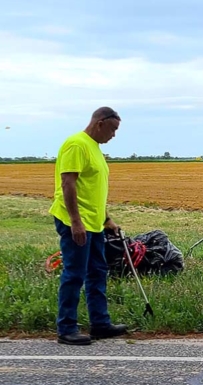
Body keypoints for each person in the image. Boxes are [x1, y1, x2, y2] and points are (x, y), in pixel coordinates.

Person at [49, 107, 128, 345]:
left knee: (98, 272)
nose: (113, 135)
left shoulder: (94, 148)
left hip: (94, 223)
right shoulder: (76, 144)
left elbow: (93, 190)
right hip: (76, 222)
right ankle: (66, 328)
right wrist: (75, 222)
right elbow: (68, 184)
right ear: (100, 123)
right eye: (113, 129)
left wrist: (106, 219)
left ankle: (100, 324)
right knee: (75, 274)